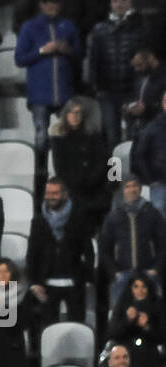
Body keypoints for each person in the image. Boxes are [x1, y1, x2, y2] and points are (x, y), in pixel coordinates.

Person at [16, 0, 82, 160]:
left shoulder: (69, 26)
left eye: (55, 2)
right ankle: (40, 175)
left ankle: (66, 175)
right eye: (47, 3)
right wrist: (42, 50)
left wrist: (68, 50)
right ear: (40, 5)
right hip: (39, 94)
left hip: (65, 93)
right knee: (41, 137)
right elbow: (19, 59)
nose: (52, 6)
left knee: (68, 137)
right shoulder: (29, 27)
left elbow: (79, 56)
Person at [27, 177, 92, 328]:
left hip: (74, 281)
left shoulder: (78, 217)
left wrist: (88, 277)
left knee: (77, 326)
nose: (50, 197)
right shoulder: (38, 221)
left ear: (64, 194)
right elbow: (32, 253)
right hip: (46, 283)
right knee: (48, 328)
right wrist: (34, 282)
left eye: (55, 193)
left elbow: (88, 250)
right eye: (48, 193)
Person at [88, 0, 150, 150]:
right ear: (110, 4)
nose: (120, 4)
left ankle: (132, 172)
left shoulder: (141, 27)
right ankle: (114, 173)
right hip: (107, 91)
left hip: (132, 90)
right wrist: (95, 86)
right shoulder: (99, 29)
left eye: (124, 0)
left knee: (133, 136)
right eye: (116, 1)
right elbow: (93, 60)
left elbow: (147, 59)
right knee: (111, 137)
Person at [99, 178, 166, 307]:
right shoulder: (113, 216)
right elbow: (104, 248)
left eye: (135, 186)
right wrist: (114, 272)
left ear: (140, 189)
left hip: (148, 274)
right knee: (120, 315)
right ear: (123, 191)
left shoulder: (153, 213)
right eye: (128, 186)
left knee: (152, 314)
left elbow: (163, 244)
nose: (132, 190)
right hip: (122, 275)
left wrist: (156, 269)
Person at [51, 100, 111, 236]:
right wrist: (79, 181)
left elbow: (104, 160)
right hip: (74, 191)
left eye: (78, 113)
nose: (75, 116)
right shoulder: (59, 139)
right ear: (66, 115)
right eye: (72, 113)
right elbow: (60, 168)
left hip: (97, 189)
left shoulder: (94, 135)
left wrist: (93, 179)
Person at [108, 273, 165, 367]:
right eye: (136, 287)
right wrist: (128, 321)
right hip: (126, 354)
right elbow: (113, 333)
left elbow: (162, 336)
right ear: (131, 288)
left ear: (149, 288)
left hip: (149, 356)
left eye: (144, 286)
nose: (140, 290)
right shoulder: (122, 303)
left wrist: (147, 327)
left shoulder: (158, 304)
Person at [132, 92, 166, 222]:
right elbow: (140, 154)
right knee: (159, 214)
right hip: (159, 182)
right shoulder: (153, 128)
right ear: (163, 104)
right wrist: (149, 178)